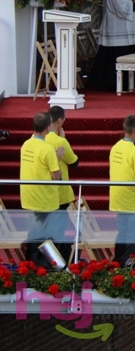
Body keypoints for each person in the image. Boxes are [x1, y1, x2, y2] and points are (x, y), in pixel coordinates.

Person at [20, 112, 63, 264]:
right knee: (43, 237)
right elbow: (56, 175)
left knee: (33, 232)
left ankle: (31, 265)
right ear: (48, 127)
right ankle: (39, 266)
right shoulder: (47, 149)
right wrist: (57, 158)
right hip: (44, 198)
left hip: (28, 195)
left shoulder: (26, 144)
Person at [90, 0, 135, 90]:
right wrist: (133, 1)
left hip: (128, 26)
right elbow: (121, 8)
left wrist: (133, 1)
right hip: (116, 27)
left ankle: (131, 82)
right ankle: (110, 83)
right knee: (113, 55)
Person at [108, 115, 135, 263]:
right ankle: (128, 268)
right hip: (134, 202)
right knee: (134, 239)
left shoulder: (115, 148)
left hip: (119, 199)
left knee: (122, 235)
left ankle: (118, 263)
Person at [44, 106, 78, 259]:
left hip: (43, 193)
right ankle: (55, 261)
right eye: (63, 120)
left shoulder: (40, 138)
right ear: (59, 121)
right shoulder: (60, 141)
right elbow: (74, 162)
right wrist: (63, 139)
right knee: (57, 231)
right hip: (60, 193)